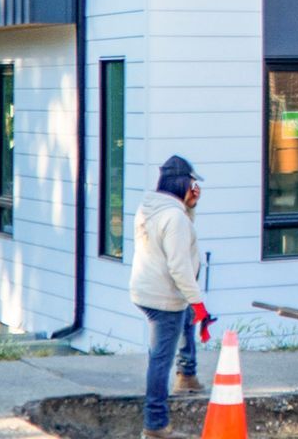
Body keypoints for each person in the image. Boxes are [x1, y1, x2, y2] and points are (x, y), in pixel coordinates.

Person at [131, 154, 214, 439]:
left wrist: (189, 207)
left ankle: (187, 375)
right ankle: (155, 425)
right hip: (164, 295)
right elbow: (179, 267)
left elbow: (176, 236)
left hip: (147, 289)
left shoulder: (151, 207)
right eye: (192, 184)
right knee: (159, 359)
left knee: (184, 319)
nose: (195, 189)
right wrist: (199, 303)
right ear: (183, 183)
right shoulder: (174, 218)